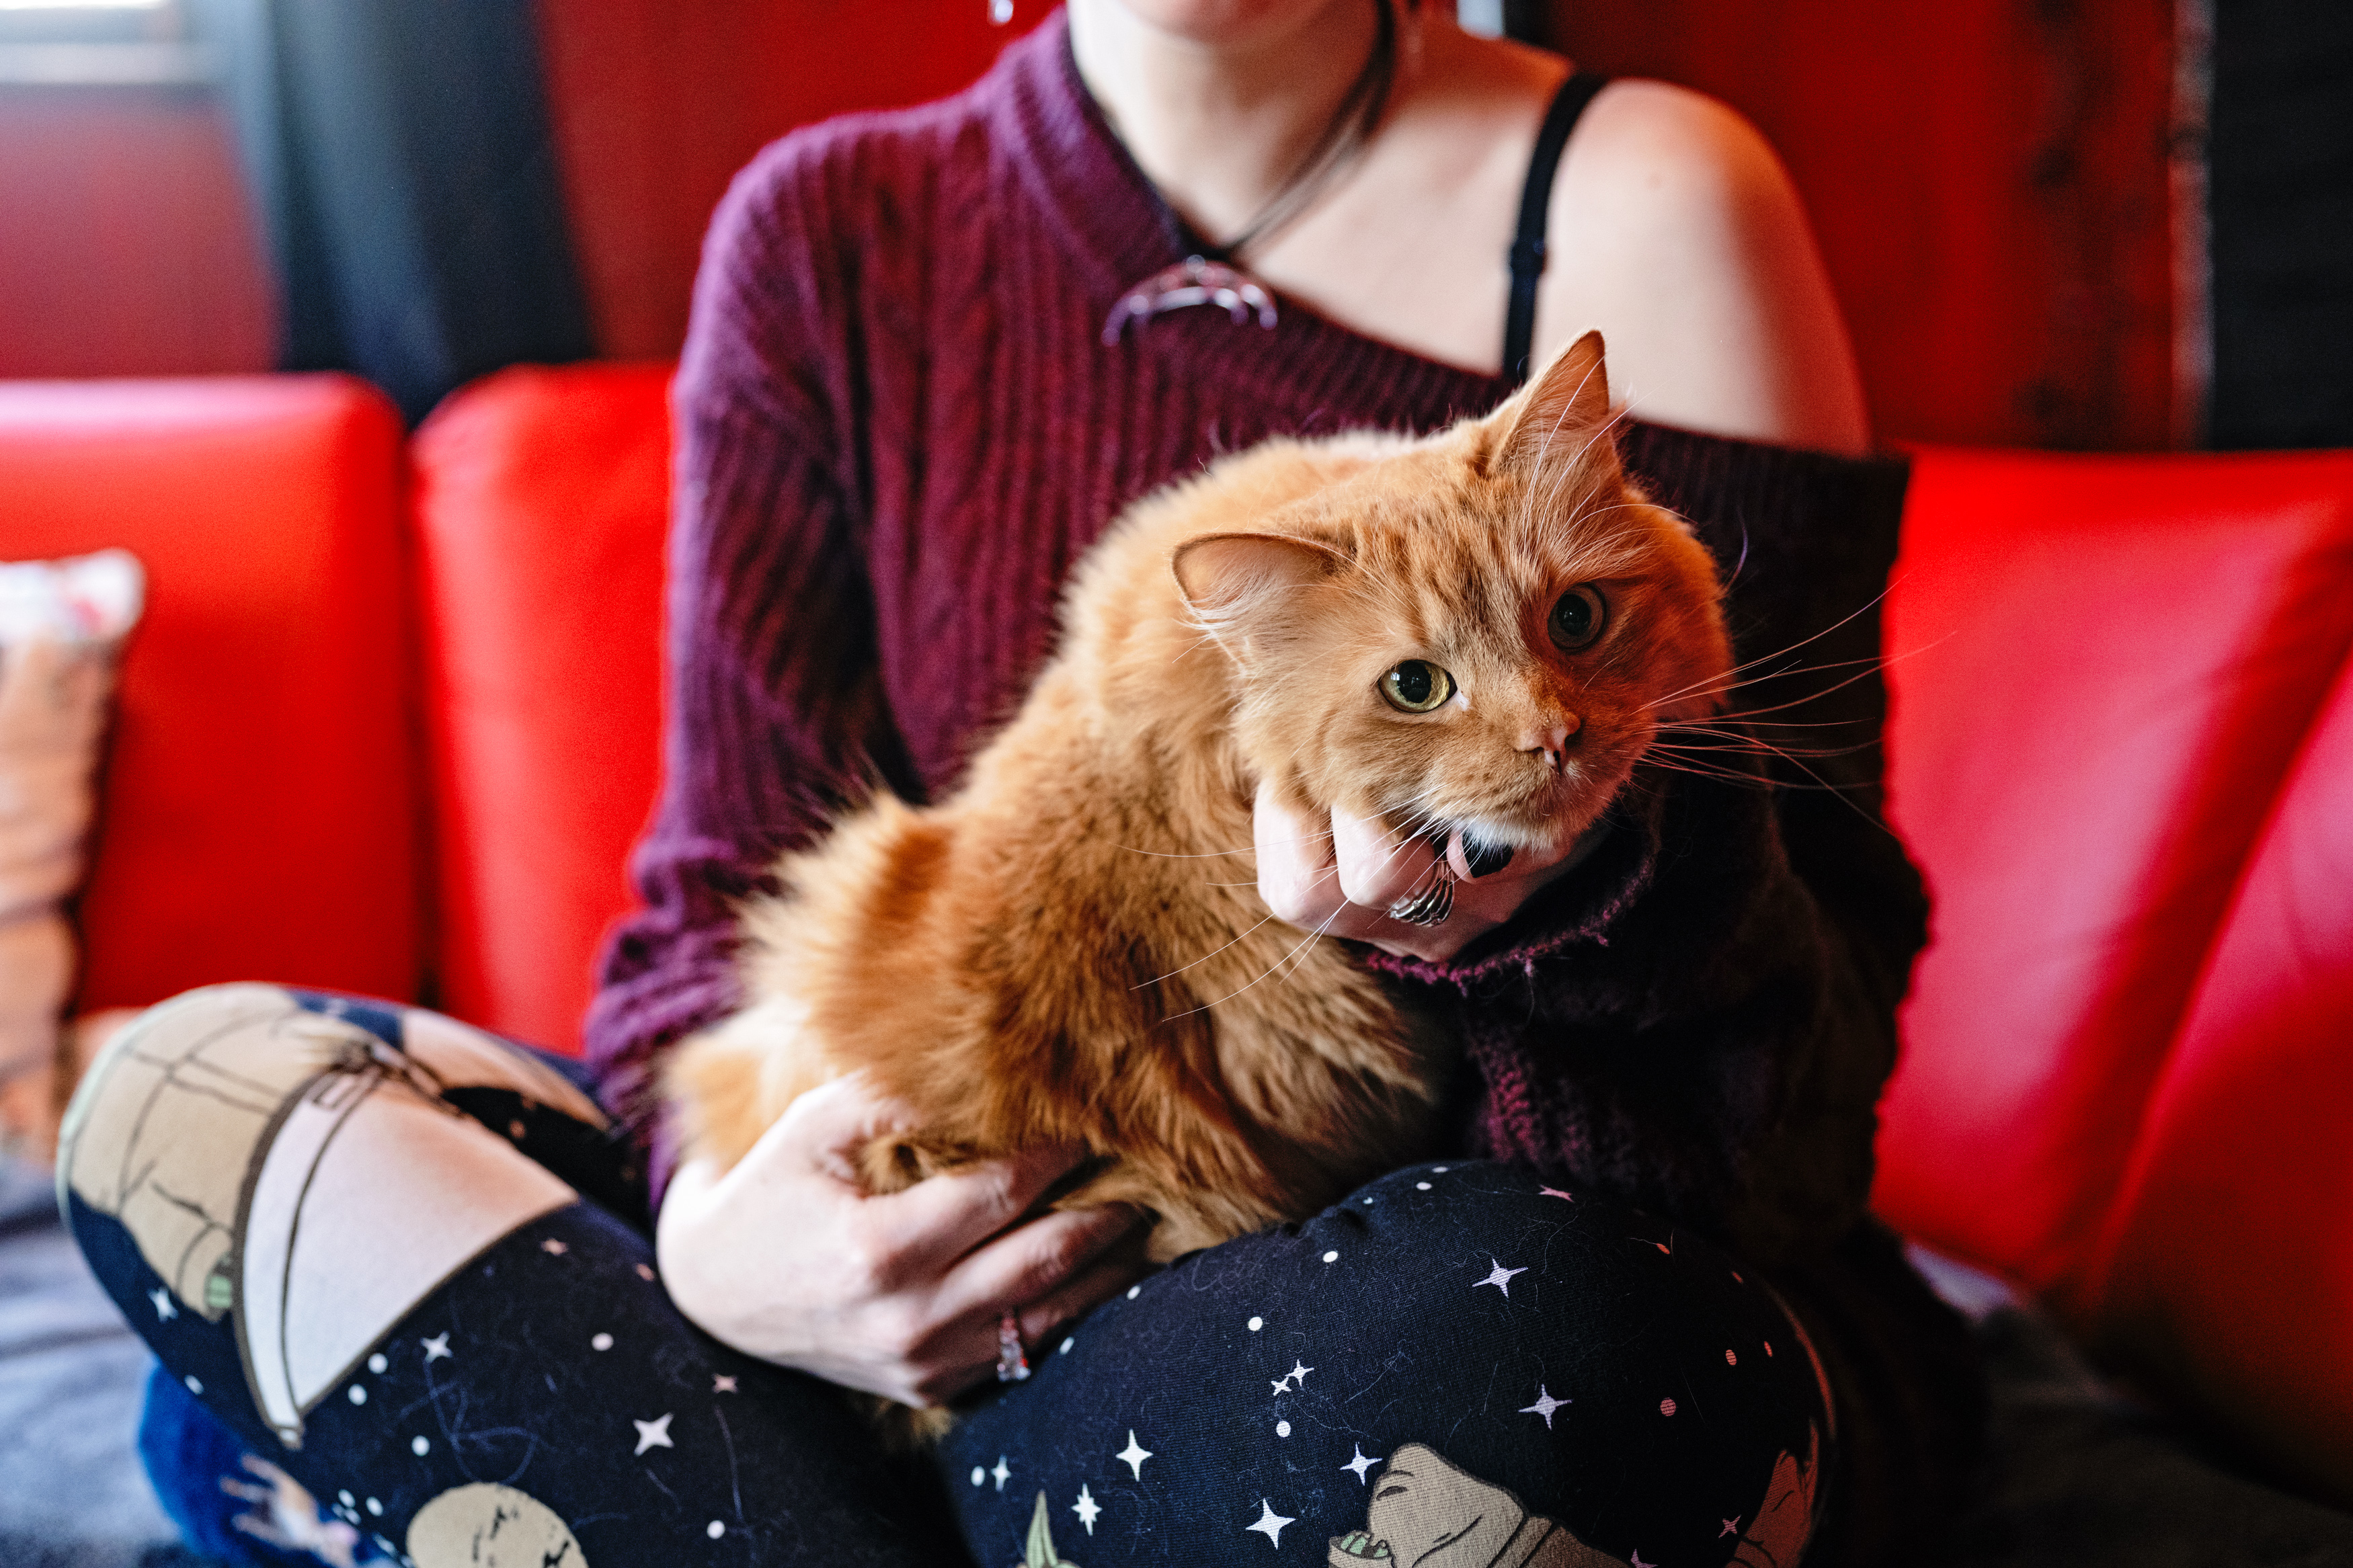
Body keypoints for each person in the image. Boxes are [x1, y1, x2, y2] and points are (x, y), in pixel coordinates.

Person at [64, 3, 1982, 1565]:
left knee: (1540, 1380)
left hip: (1427, 1280)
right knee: (209, 1108)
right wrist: (733, 1256)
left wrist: (1546, 910)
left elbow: (1803, 1104)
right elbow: (705, 926)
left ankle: (720, 1513)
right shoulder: (835, 234)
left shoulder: (1642, 204)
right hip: (934, 1219)